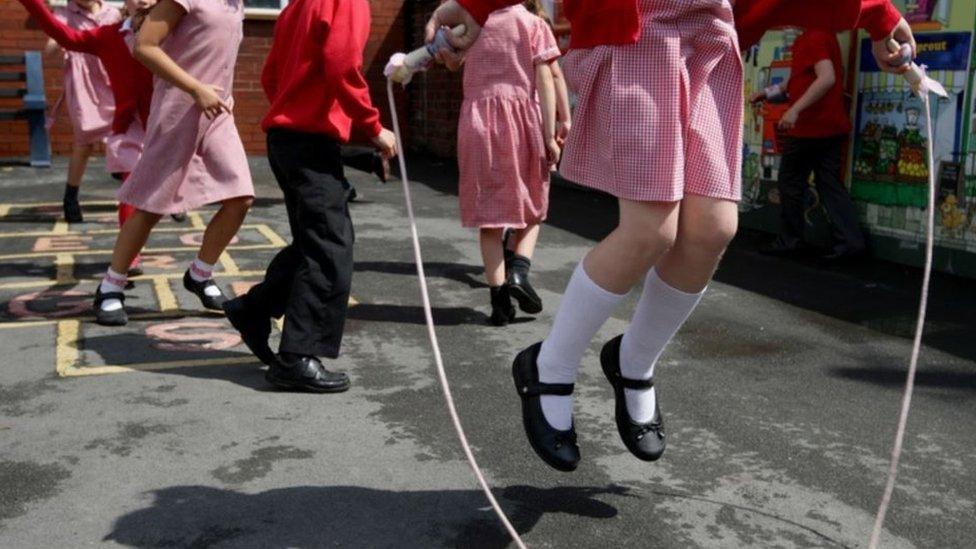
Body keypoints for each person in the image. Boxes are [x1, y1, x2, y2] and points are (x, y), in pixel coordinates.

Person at [425, 0, 914, 472]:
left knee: (713, 229)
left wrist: (876, 13)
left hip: (711, 41)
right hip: (641, 36)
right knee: (650, 229)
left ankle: (633, 360)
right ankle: (548, 365)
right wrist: (479, 2)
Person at [222, 0, 396, 393]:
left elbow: (271, 76)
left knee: (312, 242)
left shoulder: (297, 5)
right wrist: (373, 126)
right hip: (310, 143)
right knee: (330, 246)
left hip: (287, 139)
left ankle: (253, 310)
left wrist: (294, 108)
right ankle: (296, 357)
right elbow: (341, 65)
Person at [92, 0, 255, 326]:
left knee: (241, 198)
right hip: (178, 111)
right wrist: (195, 88)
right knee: (151, 205)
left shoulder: (237, 5)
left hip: (219, 112)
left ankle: (200, 274)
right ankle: (110, 285)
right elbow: (145, 47)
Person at [17, 0, 157, 276]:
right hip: (130, 125)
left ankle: (201, 268)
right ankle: (130, 257)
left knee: (228, 194)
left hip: (170, 124)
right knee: (130, 185)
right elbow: (64, 36)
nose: (143, 0)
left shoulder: (176, 31)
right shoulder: (110, 35)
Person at [450, 2, 561, 325]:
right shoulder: (532, 23)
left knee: (490, 217)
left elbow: (453, 62)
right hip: (521, 123)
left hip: (477, 125)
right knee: (533, 206)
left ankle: (499, 302)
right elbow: (545, 78)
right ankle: (519, 271)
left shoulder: (471, 22)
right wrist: (550, 134)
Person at [750, 29, 866, 261]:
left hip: (809, 127)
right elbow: (793, 83)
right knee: (829, 183)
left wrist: (794, 110)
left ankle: (790, 242)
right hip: (831, 126)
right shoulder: (822, 36)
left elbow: (827, 78)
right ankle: (851, 243)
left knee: (790, 182)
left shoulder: (812, 37)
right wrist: (764, 92)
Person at [46, 0, 119, 224]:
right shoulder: (64, 14)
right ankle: (71, 197)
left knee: (126, 134)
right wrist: (57, 40)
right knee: (84, 142)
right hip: (83, 83)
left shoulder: (112, 13)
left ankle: (153, 194)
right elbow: (48, 50)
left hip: (111, 79)